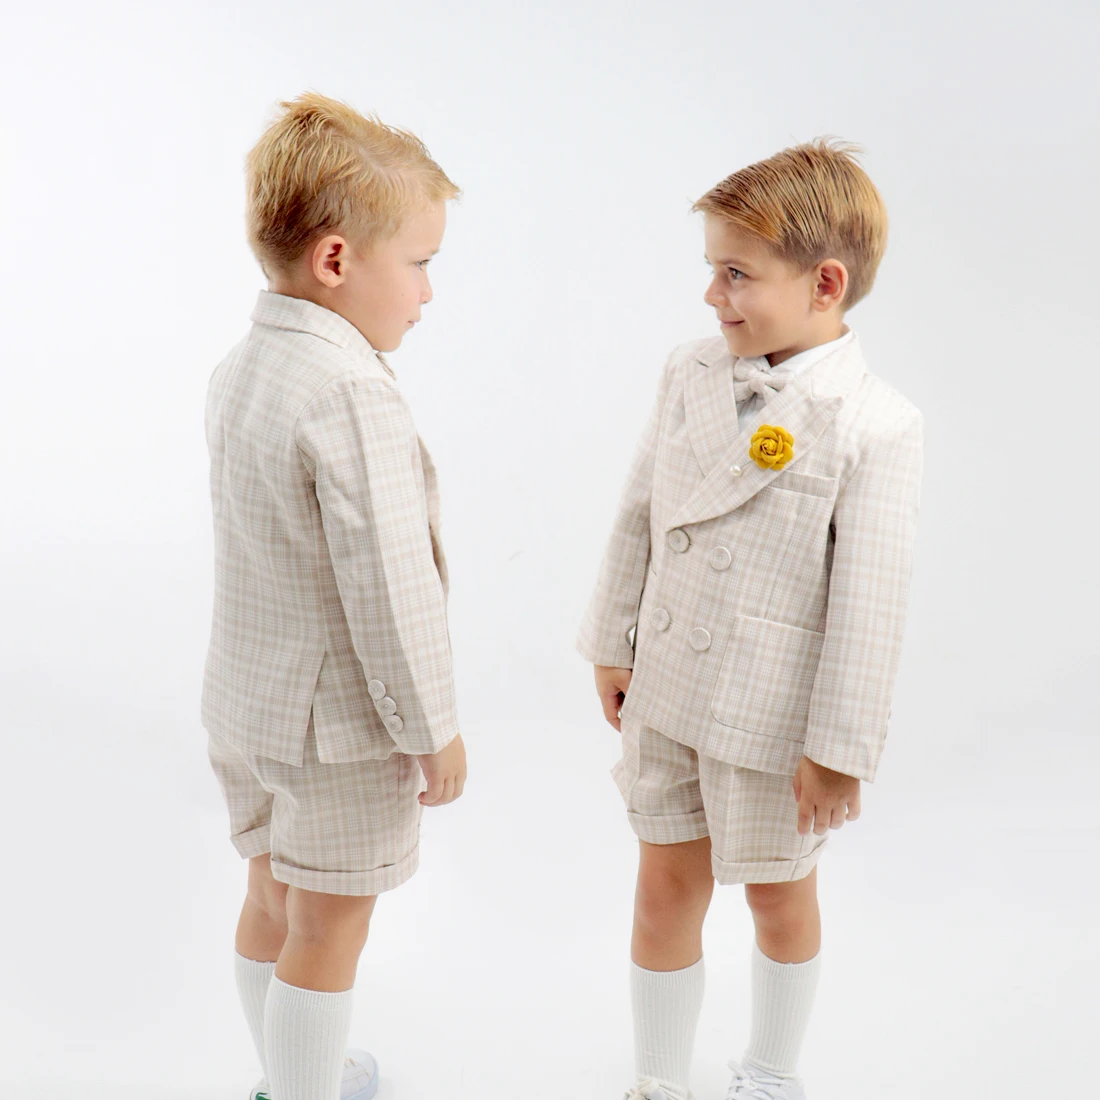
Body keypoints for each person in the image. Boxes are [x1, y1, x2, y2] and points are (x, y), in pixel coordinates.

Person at [576, 138, 924, 1100]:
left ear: (825, 283)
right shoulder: (689, 371)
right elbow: (640, 510)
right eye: (711, 270)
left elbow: (872, 600)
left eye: (736, 274)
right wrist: (611, 639)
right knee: (662, 889)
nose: (712, 294)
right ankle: (658, 1078)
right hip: (667, 688)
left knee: (779, 894)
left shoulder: (876, 423)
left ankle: (771, 1071)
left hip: (772, 720)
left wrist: (840, 747)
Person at [201, 91, 466, 1100]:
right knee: (328, 924)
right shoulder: (349, 391)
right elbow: (390, 588)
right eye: (421, 262)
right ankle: (302, 1087)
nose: (428, 293)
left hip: (249, 702)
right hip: (337, 730)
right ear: (336, 260)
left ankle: (287, 1071)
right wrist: (432, 728)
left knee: (271, 895)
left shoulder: (244, 367)